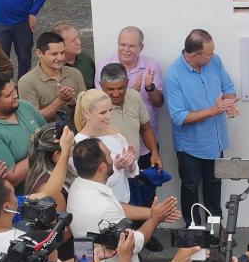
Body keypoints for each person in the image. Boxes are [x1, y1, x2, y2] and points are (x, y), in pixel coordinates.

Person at [67, 138, 179, 262]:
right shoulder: (104, 208)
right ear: (102, 167)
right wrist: (155, 219)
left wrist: (151, 212)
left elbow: (117, 206)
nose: (113, 159)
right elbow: (134, 243)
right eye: (109, 155)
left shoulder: (78, 185)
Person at [165, 29, 238, 225]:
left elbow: (228, 89)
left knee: (214, 187)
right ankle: (193, 232)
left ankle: (215, 230)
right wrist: (213, 110)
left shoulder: (215, 61)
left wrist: (230, 104)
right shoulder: (173, 76)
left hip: (216, 142)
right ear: (194, 55)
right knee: (190, 188)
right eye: (209, 53)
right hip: (190, 147)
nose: (213, 55)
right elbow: (178, 117)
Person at [100, 62, 166, 208]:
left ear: (127, 83)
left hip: (134, 168)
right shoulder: (95, 106)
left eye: (120, 88)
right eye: (110, 89)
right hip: (111, 174)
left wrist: (154, 153)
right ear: (101, 85)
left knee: (145, 207)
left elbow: (146, 128)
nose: (116, 93)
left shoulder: (135, 97)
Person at [97, 26, 166, 161]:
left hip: (147, 142)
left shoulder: (152, 64)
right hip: (114, 146)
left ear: (141, 47)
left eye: (132, 46)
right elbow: (101, 103)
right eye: (122, 44)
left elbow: (159, 104)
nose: (126, 49)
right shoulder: (104, 66)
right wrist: (131, 91)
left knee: (148, 180)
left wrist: (150, 88)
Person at [0, 71, 48, 190]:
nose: (15, 95)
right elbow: (13, 178)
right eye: (8, 95)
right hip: (26, 196)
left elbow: (47, 131)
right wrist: (44, 149)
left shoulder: (23, 106)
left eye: (14, 90)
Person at [73, 89, 140, 203]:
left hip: (125, 201)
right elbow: (88, 185)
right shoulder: (78, 144)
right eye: (103, 112)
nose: (109, 115)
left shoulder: (116, 136)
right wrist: (116, 168)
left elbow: (131, 173)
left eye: (110, 110)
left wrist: (130, 163)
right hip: (99, 206)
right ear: (86, 113)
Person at [17, 31, 85, 122]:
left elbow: (87, 109)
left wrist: (73, 103)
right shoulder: (26, 82)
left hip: (77, 132)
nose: (60, 58)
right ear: (39, 53)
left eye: (62, 53)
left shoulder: (75, 74)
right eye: (54, 54)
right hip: (46, 135)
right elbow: (33, 120)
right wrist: (61, 100)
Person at [53, 22, 96, 93]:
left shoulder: (86, 60)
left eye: (78, 37)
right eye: (73, 41)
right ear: (60, 44)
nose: (78, 42)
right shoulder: (52, 67)